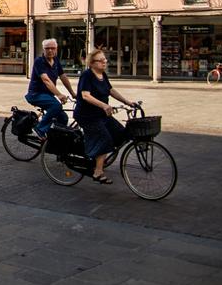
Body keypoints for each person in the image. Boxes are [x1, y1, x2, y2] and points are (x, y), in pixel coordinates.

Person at [74, 49, 138, 185]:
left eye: (105, 59)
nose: (104, 62)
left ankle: (99, 156)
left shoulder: (103, 75)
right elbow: (85, 95)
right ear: (92, 63)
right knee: (105, 138)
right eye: (100, 60)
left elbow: (111, 90)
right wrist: (104, 105)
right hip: (87, 115)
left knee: (121, 133)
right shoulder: (87, 75)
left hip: (101, 115)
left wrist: (127, 102)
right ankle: (98, 172)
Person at [25, 38, 75, 139]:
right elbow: (46, 80)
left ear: (56, 49)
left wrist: (73, 93)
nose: (50, 50)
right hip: (36, 94)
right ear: (43, 49)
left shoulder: (56, 60)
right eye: (47, 48)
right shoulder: (39, 61)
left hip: (48, 95)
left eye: (53, 48)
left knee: (63, 118)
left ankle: (55, 142)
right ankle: (40, 128)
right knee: (56, 106)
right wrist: (59, 95)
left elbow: (63, 77)